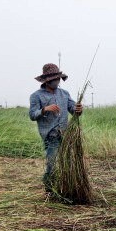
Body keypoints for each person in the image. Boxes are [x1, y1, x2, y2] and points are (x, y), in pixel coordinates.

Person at [29, 63, 83, 193]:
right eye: (53, 79)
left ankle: (66, 187)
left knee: (67, 163)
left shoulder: (64, 94)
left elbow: (73, 109)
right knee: (52, 164)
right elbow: (32, 115)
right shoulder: (36, 96)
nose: (56, 81)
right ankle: (50, 190)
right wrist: (44, 109)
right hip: (51, 135)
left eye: (58, 79)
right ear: (46, 81)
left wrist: (79, 109)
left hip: (66, 134)